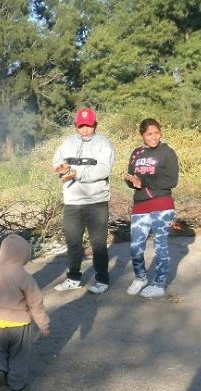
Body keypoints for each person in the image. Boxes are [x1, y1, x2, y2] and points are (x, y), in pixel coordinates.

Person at [0, 234, 50, 391]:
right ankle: (17, 384)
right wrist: (43, 324)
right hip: (19, 324)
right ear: (24, 256)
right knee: (19, 353)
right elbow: (36, 303)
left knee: (0, 347)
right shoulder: (25, 277)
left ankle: (0, 369)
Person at [51, 107, 114, 294]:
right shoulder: (67, 142)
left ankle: (102, 279)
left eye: (89, 125)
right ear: (75, 126)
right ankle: (73, 277)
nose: (85, 129)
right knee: (73, 242)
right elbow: (57, 162)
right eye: (81, 126)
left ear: (95, 124)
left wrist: (77, 173)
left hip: (96, 201)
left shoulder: (104, 143)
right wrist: (61, 169)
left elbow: (103, 169)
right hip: (72, 201)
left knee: (98, 243)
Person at [124, 118, 179, 298]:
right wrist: (131, 181)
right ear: (142, 135)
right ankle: (140, 277)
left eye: (156, 133)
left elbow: (172, 181)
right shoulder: (136, 152)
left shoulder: (167, 152)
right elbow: (133, 178)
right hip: (140, 205)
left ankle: (159, 283)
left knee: (160, 246)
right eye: (149, 134)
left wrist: (144, 181)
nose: (154, 137)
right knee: (136, 247)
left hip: (162, 204)